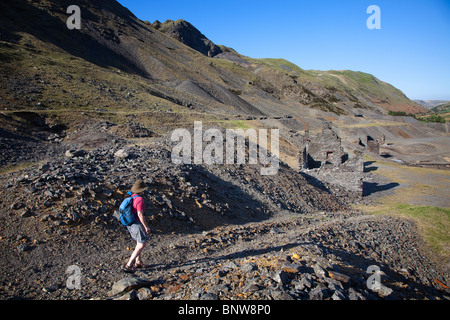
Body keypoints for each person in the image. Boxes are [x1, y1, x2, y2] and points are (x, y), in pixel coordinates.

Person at [123, 180, 151, 273]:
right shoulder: (139, 199)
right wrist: (146, 226)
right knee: (142, 244)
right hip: (137, 224)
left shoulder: (131, 197)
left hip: (130, 224)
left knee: (138, 242)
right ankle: (129, 265)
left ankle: (138, 262)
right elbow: (140, 214)